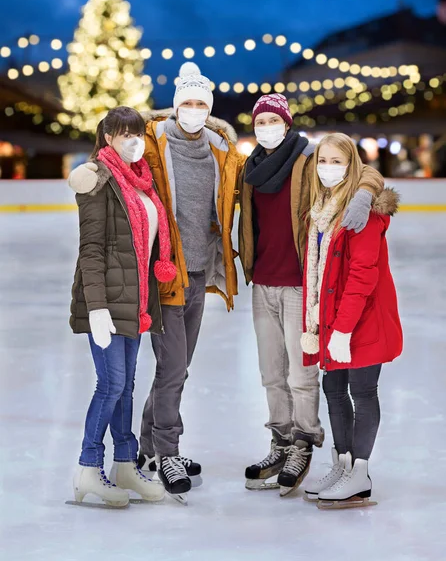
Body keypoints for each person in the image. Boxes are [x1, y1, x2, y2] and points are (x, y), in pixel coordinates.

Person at [67, 63, 245, 504]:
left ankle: (138, 453)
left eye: (201, 103)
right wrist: (86, 171)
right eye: (186, 102)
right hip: (158, 281)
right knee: (159, 372)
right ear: (174, 106)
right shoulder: (147, 150)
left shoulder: (216, 152)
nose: (193, 110)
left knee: (165, 372)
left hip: (189, 275)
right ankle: (164, 452)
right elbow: (108, 164)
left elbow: (254, 182)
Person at [238, 94, 385, 497]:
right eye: (260, 120)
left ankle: (303, 442)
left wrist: (362, 194)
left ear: (287, 123)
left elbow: (363, 170)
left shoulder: (308, 161)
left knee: (301, 376)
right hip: (262, 281)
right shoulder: (248, 168)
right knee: (271, 374)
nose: (267, 126)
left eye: (274, 120)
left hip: (302, 284)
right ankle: (280, 443)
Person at [70, 106, 177, 507]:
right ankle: (87, 468)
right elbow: (92, 251)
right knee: (111, 384)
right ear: (107, 138)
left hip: (135, 301)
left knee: (127, 387)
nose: (134, 141)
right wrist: (96, 308)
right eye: (124, 134)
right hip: (107, 303)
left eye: (139, 134)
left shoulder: (141, 181)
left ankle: (125, 465)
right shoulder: (98, 180)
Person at [301, 133, 403, 509]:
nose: (329, 168)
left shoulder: (365, 212)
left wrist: (343, 328)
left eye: (337, 161)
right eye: (323, 161)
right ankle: (342, 464)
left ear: (352, 165)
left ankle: (360, 473)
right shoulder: (322, 206)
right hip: (333, 318)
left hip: (362, 319)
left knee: (362, 393)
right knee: (333, 390)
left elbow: (363, 275)